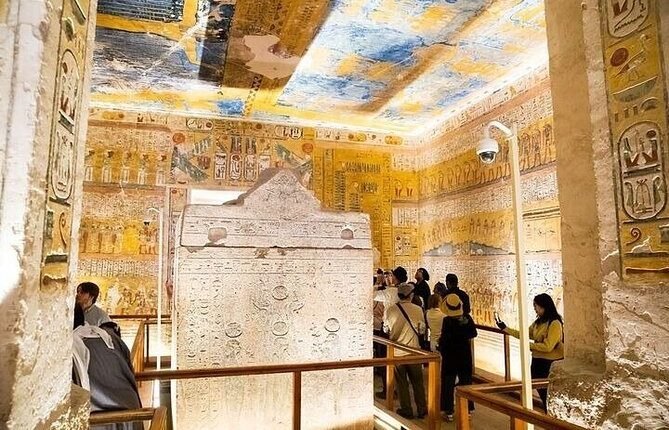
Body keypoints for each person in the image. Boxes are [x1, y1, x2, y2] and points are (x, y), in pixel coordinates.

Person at [72, 304, 142, 430]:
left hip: (102, 419)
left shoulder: (71, 351)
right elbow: (129, 368)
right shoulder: (109, 337)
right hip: (131, 409)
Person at [496, 293, 564, 410]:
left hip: (549, 364)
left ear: (544, 306)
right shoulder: (539, 322)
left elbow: (548, 347)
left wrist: (529, 345)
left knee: (548, 394)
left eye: (536, 306)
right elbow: (524, 334)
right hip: (537, 362)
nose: (535, 309)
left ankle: (551, 416)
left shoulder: (554, 323)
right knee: (542, 392)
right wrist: (505, 329)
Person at [384, 283, 427, 419]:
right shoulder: (418, 309)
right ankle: (422, 409)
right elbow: (421, 330)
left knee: (401, 383)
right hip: (414, 351)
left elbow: (386, 329)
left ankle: (407, 409)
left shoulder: (391, 310)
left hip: (397, 352)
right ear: (411, 295)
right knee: (417, 382)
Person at [438, 293, 477, 421]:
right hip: (464, 354)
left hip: (450, 355)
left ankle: (448, 411)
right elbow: (473, 333)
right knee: (466, 382)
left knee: (448, 383)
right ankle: (468, 409)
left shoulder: (447, 321)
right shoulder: (467, 318)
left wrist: (440, 346)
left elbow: (445, 339)